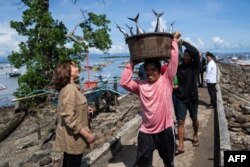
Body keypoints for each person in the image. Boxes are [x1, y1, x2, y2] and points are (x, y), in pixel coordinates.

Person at [120, 34, 179, 167]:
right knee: (143, 164)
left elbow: (174, 60)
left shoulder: (167, 80)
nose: (150, 73)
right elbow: (123, 82)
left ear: (159, 71)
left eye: (153, 70)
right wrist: (131, 63)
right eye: (147, 70)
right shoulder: (140, 85)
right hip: (146, 132)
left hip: (165, 130)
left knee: (169, 162)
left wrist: (174, 41)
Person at [52, 61, 95, 167]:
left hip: (71, 137)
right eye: (74, 66)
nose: (77, 68)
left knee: (68, 161)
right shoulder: (70, 89)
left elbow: (71, 107)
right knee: (73, 162)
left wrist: (85, 109)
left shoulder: (70, 87)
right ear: (67, 71)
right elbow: (68, 116)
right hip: (73, 137)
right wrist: (87, 135)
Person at [173, 40, 200, 154]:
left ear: (192, 57)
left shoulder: (195, 66)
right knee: (180, 122)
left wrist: (183, 42)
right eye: (185, 54)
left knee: (194, 119)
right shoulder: (179, 67)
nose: (186, 56)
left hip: (193, 98)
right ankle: (181, 145)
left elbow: (195, 52)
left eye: (189, 55)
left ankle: (195, 134)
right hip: (180, 99)